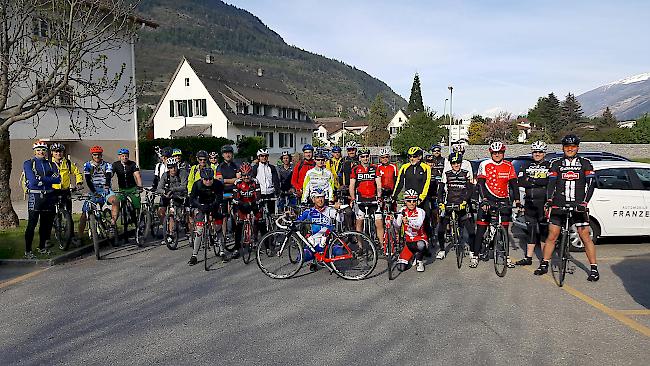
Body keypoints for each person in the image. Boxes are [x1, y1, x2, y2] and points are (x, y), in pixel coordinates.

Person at [534, 134, 600, 281]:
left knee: (585, 236)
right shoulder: (556, 163)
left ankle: (594, 268)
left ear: (577, 148)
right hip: (559, 204)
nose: (570, 149)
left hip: (578, 205)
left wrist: (584, 203)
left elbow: (591, 184)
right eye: (567, 146)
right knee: (552, 235)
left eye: (573, 146)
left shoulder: (585, 163)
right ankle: (544, 264)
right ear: (563, 148)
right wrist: (549, 200)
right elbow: (551, 184)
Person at [471, 141, 518, 268]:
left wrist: (518, 201)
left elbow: (514, 184)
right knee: (481, 229)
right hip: (487, 199)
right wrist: (484, 199)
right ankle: (475, 256)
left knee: (504, 229)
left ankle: (506, 257)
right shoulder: (485, 164)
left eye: (500, 152)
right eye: (495, 153)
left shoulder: (509, 165)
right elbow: (480, 183)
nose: (497, 155)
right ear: (491, 153)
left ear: (503, 153)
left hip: (503, 199)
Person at [23, 140, 60, 258]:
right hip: (35, 196)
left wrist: (41, 178)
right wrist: (47, 178)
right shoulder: (29, 163)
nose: (41, 152)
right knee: (32, 224)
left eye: (43, 150)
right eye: (38, 150)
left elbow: (57, 180)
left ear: (46, 151)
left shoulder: (51, 164)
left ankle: (42, 247)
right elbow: (32, 181)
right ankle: (28, 250)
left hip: (49, 196)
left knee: (46, 225)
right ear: (34, 151)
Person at [516, 141, 551, 266]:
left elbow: (548, 182)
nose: (537, 154)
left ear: (544, 153)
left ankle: (544, 260)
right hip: (529, 202)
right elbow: (520, 181)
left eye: (540, 152)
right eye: (535, 152)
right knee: (530, 231)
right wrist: (538, 181)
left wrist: (531, 180)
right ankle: (528, 258)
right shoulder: (526, 165)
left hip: (543, 202)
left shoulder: (549, 165)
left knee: (543, 232)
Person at [392, 146, 433, 249]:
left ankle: (426, 242)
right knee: (405, 220)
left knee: (425, 220)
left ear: (419, 157)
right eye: (410, 156)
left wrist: (421, 198)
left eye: (414, 156)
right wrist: (394, 196)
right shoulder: (405, 167)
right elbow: (399, 183)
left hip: (421, 199)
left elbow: (426, 184)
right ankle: (406, 242)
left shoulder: (425, 167)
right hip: (409, 199)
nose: (411, 158)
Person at [437, 152, 475, 259]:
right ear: (451, 163)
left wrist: (465, 200)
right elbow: (440, 189)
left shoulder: (466, 173)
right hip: (449, 203)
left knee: (471, 231)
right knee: (441, 229)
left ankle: (472, 252)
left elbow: (470, 189)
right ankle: (442, 250)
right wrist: (440, 202)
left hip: (462, 203)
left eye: (458, 163)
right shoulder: (447, 174)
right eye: (454, 163)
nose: (456, 165)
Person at [296, 187, 341, 271]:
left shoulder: (329, 210)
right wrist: (291, 216)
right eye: (317, 197)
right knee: (301, 257)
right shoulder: (309, 211)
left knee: (339, 251)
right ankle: (314, 260)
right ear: (313, 200)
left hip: (327, 243)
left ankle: (331, 262)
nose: (320, 200)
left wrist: (338, 210)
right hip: (313, 243)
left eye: (322, 197)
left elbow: (340, 219)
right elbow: (297, 221)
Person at [80, 146, 118, 240]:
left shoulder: (107, 165)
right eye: (95, 155)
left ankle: (112, 224)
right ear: (92, 155)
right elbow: (88, 180)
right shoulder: (87, 165)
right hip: (93, 189)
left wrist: (107, 186)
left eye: (99, 155)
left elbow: (108, 176)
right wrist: (93, 192)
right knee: (84, 213)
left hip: (105, 188)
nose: (97, 156)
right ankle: (79, 237)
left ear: (101, 155)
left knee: (115, 201)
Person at [49, 142, 83, 247]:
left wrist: (79, 182)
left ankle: (71, 235)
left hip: (65, 190)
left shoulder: (67, 163)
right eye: (56, 152)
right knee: (49, 214)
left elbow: (77, 172)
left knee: (68, 214)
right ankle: (47, 238)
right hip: (52, 191)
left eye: (60, 151)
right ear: (52, 153)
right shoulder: (48, 164)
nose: (58, 153)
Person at [188, 167, 224, 265]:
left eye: (210, 179)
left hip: (214, 205)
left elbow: (220, 198)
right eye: (205, 179)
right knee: (199, 230)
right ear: (202, 179)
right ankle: (194, 255)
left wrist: (213, 207)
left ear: (213, 178)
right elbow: (192, 199)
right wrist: (200, 206)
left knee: (218, 227)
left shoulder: (218, 184)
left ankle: (222, 251)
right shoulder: (197, 185)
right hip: (202, 206)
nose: (208, 181)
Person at [349, 148, 384, 246]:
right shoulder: (355, 169)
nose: (365, 158)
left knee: (379, 222)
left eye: (367, 156)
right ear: (359, 158)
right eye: (363, 157)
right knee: (359, 223)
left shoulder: (375, 168)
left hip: (373, 198)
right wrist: (353, 198)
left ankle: (382, 245)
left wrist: (379, 197)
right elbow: (352, 185)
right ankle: (360, 246)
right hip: (361, 199)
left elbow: (379, 184)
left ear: (369, 157)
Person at [232, 163, 264, 259]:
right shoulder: (237, 183)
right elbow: (235, 198)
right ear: (241, 175)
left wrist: (253, 204)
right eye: (244, 175)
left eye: (248, 175)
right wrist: (241, 204)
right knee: (239, 225)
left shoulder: (255, 181)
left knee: (260, 221)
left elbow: (258, 196)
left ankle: (265, 245)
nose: (246, 177)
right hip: (242, 204)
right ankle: (237, 248)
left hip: (253, 203)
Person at [157, 157, 188, 245]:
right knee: (160, 212)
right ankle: (165, 229)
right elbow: (159, 188)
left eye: (174, 167)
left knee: (172, 213)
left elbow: (184, 186)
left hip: (179, 195)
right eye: (170, 167)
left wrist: (173, 189)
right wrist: (164, 191)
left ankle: (171, 234)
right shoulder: (165, 175)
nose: (173, 169)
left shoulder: (182, 173)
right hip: (167, 195)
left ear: (177, 166)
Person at [395, 189, 428, 272]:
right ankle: (413, 255)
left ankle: (420, 262)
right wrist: (393, 220)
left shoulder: (420, 211)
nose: (412, 203)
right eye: (409, 201)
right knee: (401, 268)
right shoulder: (402, 210)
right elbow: (397, 226)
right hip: (409, 243)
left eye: (414, 200)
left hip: (420, 239)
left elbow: (418, 225)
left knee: (421, 245)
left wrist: (408, 221)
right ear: (405, 201)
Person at [111, 148, 143, 228]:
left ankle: (140, 220)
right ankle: (113, 222)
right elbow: (110, 175)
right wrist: (107, 184)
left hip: (132, 188)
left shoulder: (132, 164)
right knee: (117, 203)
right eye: (123, 156)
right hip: (122, 189)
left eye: (126, 156)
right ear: (119, 157)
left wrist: (140, 186)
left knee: (137, 204)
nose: (125, 157)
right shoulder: (115, 165)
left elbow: (137, 175)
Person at [216, 145, 239, 234]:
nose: (228, 155)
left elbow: (238, 179)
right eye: (226, 153)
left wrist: (225, 180)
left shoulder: (236, 165)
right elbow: (219, 180)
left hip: (234, 191)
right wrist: (232, 180)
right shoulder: (220, 167)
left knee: (237, 215)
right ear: (223, 155)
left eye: (229, 153)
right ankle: (224, 235)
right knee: (224, 215)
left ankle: (237, 234)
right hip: (224, 192)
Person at [252, 149, 280, 217]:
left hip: (270, 193)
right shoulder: (255, 167)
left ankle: (271, 226)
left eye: (266, 156)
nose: (264, 158)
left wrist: (277, 191)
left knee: (272, 214)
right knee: (259, 214)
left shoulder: (272, 167)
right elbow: (253, 180)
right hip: (260, 193)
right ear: (258, 157)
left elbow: (276, 180)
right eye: (262, 156)